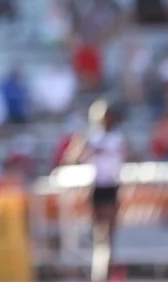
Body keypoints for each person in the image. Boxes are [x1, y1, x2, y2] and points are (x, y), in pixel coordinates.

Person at [66, 99, 128, 282]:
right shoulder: (91, 138)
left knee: (108, 235)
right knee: (99, 235)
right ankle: (99, 271)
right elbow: (73, 159)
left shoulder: (118, 138)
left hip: (111, 186)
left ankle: (105, 271)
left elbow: (128, 156)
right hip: (96, 188)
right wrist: (84, 147)